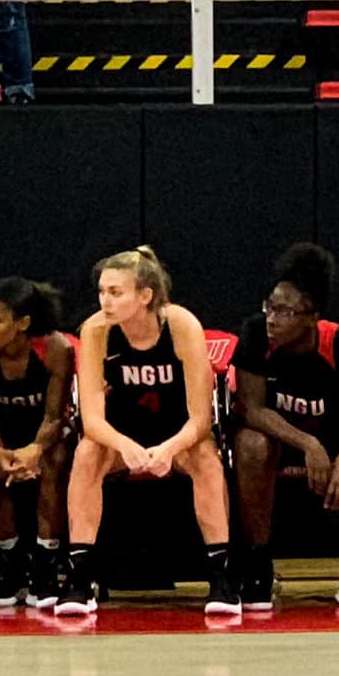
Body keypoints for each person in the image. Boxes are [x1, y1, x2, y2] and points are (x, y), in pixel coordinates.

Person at [62, 247, 238, 617]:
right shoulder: (95, 331)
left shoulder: (181, 325)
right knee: (86, 454)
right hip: (119, 434)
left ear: (145, 296)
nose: (104, 301)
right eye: (101, 292)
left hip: (177, 433)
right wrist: (125, 445)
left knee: (207, 459)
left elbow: (201, 419)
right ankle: (79, 578)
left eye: (115, 292)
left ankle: (221, 578)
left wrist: (169, 449)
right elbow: (91, 420)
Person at [231, 243, 339, 610]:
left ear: (312, 317)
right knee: (249, 445)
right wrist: (308, 444)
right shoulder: (255, 335)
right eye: (270, 307)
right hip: (282, 438)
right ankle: (258, 565)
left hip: (338, 440)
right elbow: (250, 408)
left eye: (285, 311)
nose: (272, 318)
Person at [0, 277, 74, 610]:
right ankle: (12, 563)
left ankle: (46, 565)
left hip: (43, 435)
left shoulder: (55, 349)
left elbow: (55, 417)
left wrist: (33, 451)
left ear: (23, 323)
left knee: (55, 462)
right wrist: (2, 455)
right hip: (0, 438)